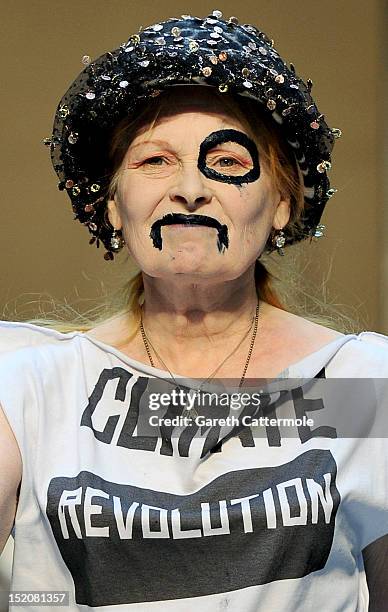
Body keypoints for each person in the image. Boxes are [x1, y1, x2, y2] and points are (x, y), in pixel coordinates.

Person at [0, 9, 387, 611]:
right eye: (154, 161)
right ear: (113, 205)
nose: (189, 188)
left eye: (228, 162)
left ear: (281, 204)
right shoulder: (30, 386)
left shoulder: (361, 382)